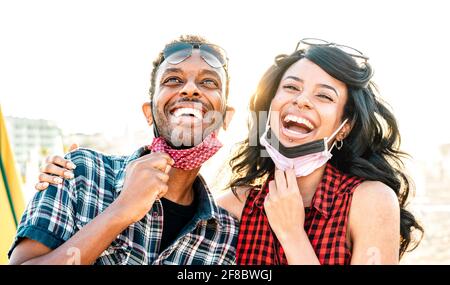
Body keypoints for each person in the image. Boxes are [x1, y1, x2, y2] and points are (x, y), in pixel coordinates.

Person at [8, 35, 238, 265]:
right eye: (173, 79)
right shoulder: (79, 173)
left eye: (208, 82)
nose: (190, 89)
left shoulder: (228, 237)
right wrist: (120, 211)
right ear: (149, 113)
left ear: (226, 118)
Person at [218, 38, 424, 264]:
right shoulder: (232, 207)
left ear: (344, 127)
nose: (302, 100)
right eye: (291, 87)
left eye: (324, 96)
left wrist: (292, 235)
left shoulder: (371, 201)